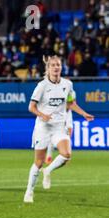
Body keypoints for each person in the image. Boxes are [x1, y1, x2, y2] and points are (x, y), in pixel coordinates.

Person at [24, 56, 94, 203]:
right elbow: (31, 107)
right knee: (38, 162)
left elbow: (71, 104)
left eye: (58, 65)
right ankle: (29, 191)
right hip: (43, 128)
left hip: (58, 127)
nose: (56, 67)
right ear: (48, 68)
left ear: (61, 68)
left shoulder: (67, 84)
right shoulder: (42, 86)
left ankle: (48, 171)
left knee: (67, 154)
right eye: (53, 65)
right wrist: (42, 115)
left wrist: (84, 113)